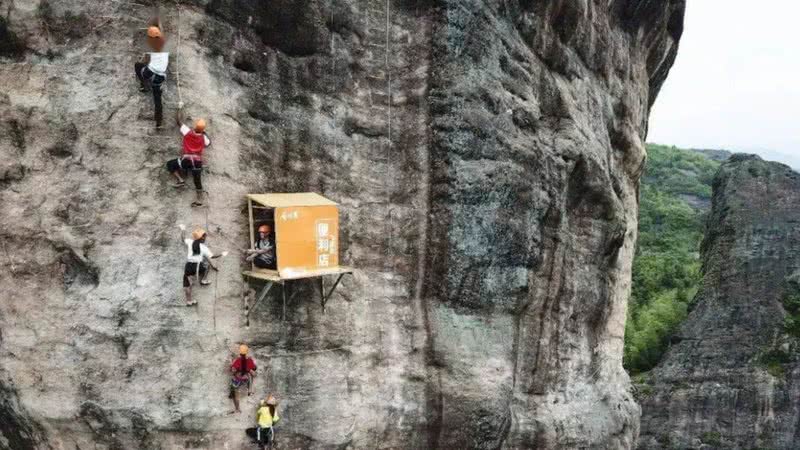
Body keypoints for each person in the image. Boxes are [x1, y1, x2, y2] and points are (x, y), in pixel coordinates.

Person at [166, 106, 211, 207]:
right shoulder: (204, 137)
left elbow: (179, 121)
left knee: (170, 164)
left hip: (186, 161)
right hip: (197, 162)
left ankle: (180, 180)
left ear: (195, 126)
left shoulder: (188, 132)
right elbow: (208, 143)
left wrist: (179, 108)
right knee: (197, 181)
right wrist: (203, 133)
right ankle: (199, 200)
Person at [134, 13, 168, 128]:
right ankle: (159, 122)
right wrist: (159, 21)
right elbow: (161, 31)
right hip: (160, 77)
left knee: (138, 66)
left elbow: (146, 58)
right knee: (157, 99)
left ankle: (143, 85)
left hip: (150, 72)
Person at [178, 224, 221, 306]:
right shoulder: (203, 247)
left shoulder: (190, 242)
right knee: (206, 266)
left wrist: (183, 229)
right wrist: (221, 254)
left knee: (188, 284)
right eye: (205, 236)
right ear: (202, 238)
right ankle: (203, 280)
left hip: (189, 265)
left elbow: (183, 239)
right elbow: (212, 256)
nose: (205, 238)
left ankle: (189, 301)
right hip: (197, 266)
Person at [230, 344, 257, 413]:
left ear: (240, 352)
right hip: (246, 379)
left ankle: (237, 408)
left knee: (234, 391)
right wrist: (249, 369)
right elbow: (254, 368)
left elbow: (233, 370)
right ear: (247, 352)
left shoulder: (238, 360)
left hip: (238, 379)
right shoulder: (250, 360)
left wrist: (232, 364)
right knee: (251, 375)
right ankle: (250, 390)